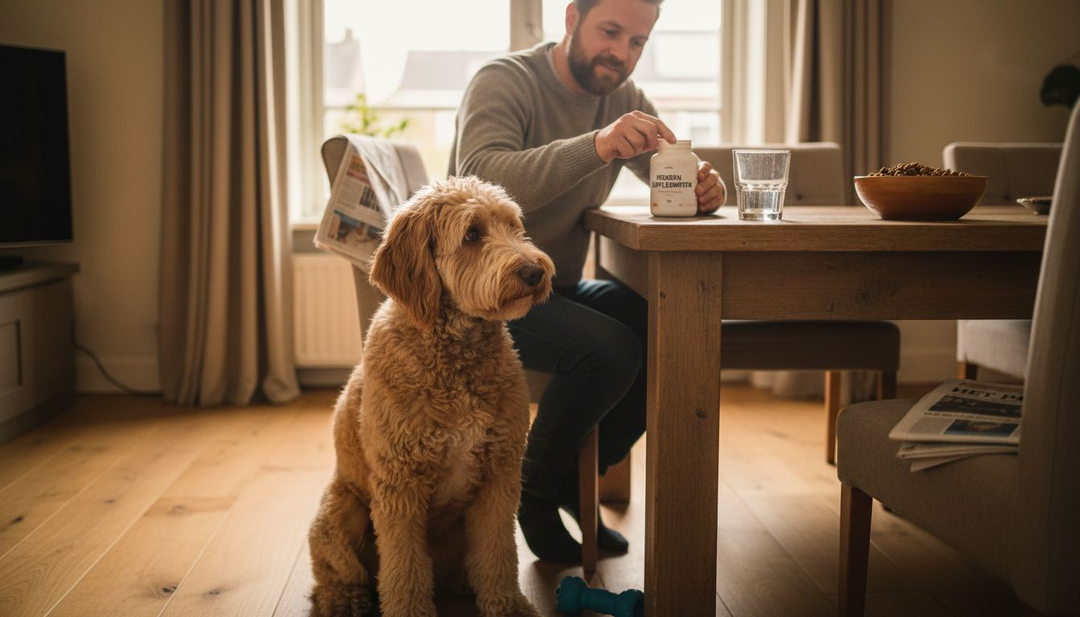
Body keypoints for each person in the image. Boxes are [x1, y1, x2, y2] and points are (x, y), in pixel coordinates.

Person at [448, 0, 727, 563]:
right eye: (611, 31)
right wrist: (598, 144)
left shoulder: (623, 98)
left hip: (557, 285)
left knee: (669, 325)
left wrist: (699, 190)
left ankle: (581, 477)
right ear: (572, 18)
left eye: (637, 43)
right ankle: (536, 491)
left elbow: (664, 175)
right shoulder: (504, 80)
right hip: (481, 299)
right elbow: (479, 178)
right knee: (611, 349)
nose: (621, 53)